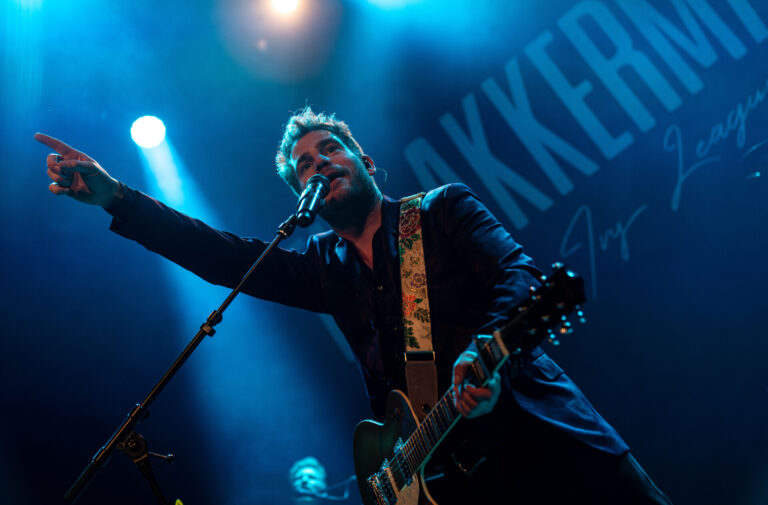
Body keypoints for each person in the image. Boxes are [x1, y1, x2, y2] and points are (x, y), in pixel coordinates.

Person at [35, 107, 671, 504]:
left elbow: (521, 275)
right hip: (456, 481)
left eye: (329, 151)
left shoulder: (441, 211)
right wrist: (118, 198)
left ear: (364, 161)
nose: (317, 164)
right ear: (301, 196)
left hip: (550, 447)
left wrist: (487, 348)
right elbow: (222, 256)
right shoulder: (321, 266)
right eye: (303, 166)